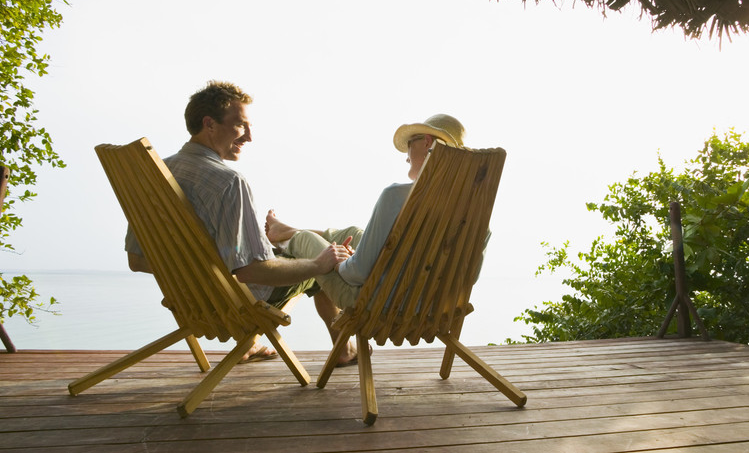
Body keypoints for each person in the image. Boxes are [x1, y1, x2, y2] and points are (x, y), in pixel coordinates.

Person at [125, 80, 358, 365]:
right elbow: (251, 271)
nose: (248, 137)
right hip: (235, 302)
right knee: (321, 264)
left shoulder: (156, 175)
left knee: (288, 251)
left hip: (191, 301)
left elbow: (137, 260)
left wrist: (196, 276)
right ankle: (343, 351)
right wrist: (319, 264)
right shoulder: (228, 182)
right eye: (240, 125)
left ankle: (251, 341)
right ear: (209, 124)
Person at [265, 114, 482, 319]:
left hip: (378, 303)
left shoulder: (396, 197)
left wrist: (341, 262)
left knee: (305, 240)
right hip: (431, 308)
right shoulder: (476, 215)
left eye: (409, 144)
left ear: (427, 142)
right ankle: (286, 231)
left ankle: (285, 241)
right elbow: (469, 277)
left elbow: (357, 275)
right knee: (352, 234)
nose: (406, 157)